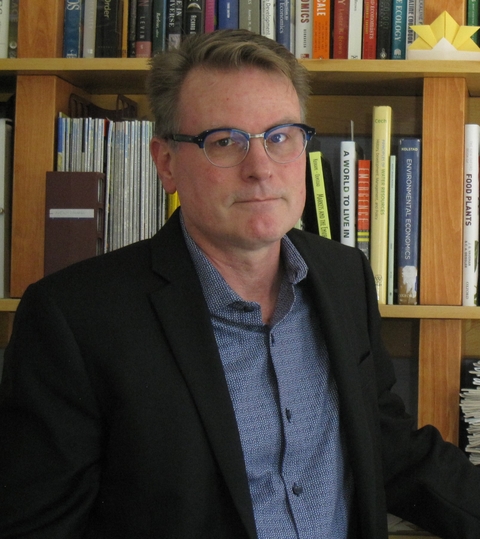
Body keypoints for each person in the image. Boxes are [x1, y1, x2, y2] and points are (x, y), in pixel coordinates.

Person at [0, 29, 479, 539]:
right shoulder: (73, 317)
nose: (260, 169)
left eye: (280, 137)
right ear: (166, 163)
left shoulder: (344, 276)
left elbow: (387, 445)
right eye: (224, 141)